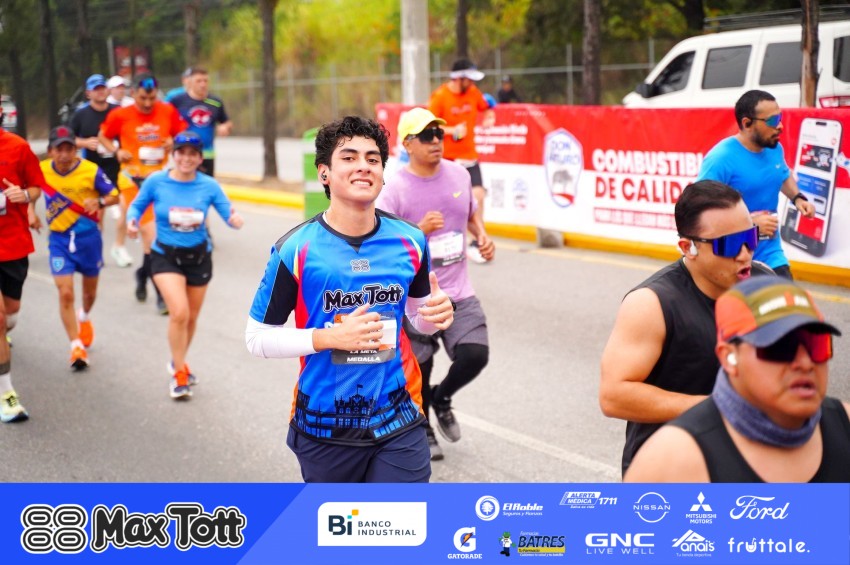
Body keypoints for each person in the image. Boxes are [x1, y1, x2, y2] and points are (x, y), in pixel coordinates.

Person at [245, 116, 454, 482]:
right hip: (324, 426)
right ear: (324, 173)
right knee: (345, 522)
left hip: (399, 417)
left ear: (383, 174)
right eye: (349, 157)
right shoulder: (295, 249)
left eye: (373, 159)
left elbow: (418, 319)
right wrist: (329, 338)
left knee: (401, 517)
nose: (363, 166)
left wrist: (433, 314)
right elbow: (257, 338)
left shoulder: (410, 240)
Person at [599, 180, 765, 475]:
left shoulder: (766, 284)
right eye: (728, 244)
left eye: (750, 237)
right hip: (669, 473)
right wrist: (718, 408)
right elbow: (613, 396)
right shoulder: (651, 304)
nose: (744, 254)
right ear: (688, 247)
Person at [625, 275, 848, 482]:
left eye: (817, 345)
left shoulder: (845, 425)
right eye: (781, 348)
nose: (806, 363)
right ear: (729, 357)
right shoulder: (671, 461)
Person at [376, 108, 494, 461]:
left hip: (458, 290)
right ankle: (424, 426)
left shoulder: (459, 174)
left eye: (439, 134)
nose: (436, 142)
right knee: (421, 366)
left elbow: (469, 214)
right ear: (408, 144)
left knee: (475, 354)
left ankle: (442, 397)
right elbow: (381, 245)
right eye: (426, 136)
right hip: (416, 296)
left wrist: (481, 235)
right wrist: (419, 231)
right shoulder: (394, 189)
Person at [126, 131, 243, 399]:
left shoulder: (208, 185)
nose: (186, 158)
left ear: (200, 158)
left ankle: (177, 360)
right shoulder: (157, 181)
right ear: (173, 155)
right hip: (165, 256)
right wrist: (132, 221)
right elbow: (136, 206)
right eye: (181, 153)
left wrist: (235, 220)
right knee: (179, 312)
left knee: (191, 317)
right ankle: (179, 373)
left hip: (199, 258)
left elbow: (227, 212)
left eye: (193, 154)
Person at [697, 90, 816, 279]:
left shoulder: (775, 149)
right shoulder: (720, 159)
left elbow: (782, 174)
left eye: (780, 117)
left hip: (770, 254)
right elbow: (699, 211)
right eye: (772, 120)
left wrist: (798, 198)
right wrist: (750, 226)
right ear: (747, 124)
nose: (780, 126)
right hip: (732, 258)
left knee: (787, 297)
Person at [99, 73, 187, 314]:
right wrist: (116, 151)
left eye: (151, 98)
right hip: (132, 182)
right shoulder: (121, 115)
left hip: (161, 182)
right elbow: (103, 136)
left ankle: (142, 274)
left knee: (157, 238)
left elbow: (183, 134)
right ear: (133, 94)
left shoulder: (167, 111)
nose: (147, 103)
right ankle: (162, 295)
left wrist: (173, 142)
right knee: (152, 234)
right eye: (142, 98)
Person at [40, 126, 120, 370]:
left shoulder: (91, 170)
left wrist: (100, 201)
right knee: (65, 293)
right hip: (59, 241)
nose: (64, 154)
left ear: (76, 150)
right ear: (50, 151)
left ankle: (83, 316)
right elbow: (29, 190)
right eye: (59, 149)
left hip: (89, 240)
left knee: (89, 295)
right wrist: (29, 212)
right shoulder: (41, 170)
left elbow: (115, 195)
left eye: (69, 149)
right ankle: (76, 346)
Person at [0, 104, 47, 422]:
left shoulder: (17, 147)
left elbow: (36, 187)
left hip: (13, 243)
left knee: (11, 314)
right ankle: (7, 395)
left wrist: (24, 196)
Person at [429, 59, 496, 264]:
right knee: (451, 202)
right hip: (447, 160)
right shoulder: (440, 96)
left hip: (469, 156)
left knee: (478, 196)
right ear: (459, 78)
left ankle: (476, 242)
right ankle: (445, 242)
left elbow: (487, 106)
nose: (473, 83)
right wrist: (452, 130)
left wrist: (490, 117)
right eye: (470, 78)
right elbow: (429, 126)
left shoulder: (473, 92)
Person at [69, 74, 131, 268]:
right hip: (94, 169)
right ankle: (96, 251)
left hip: (118, 167)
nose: (100, 92)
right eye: (96, 89)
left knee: (125, 207)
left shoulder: (117, 111)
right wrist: (85, 142)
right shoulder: (81, 114)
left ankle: (119, 246)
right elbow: (68, 139)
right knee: (98, 213)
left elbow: (129, 133)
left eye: (103, 88)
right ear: (88, 93)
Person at [168, 67, 233, 177]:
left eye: (205, 81)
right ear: (190, 82)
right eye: (199, 81)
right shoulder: (177, 101)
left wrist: (225, 127)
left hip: (207, 154)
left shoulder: (215, 102)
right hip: (185, 154)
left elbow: (226, 121)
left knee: (205, 184)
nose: (203, 84)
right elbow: (165, 119)